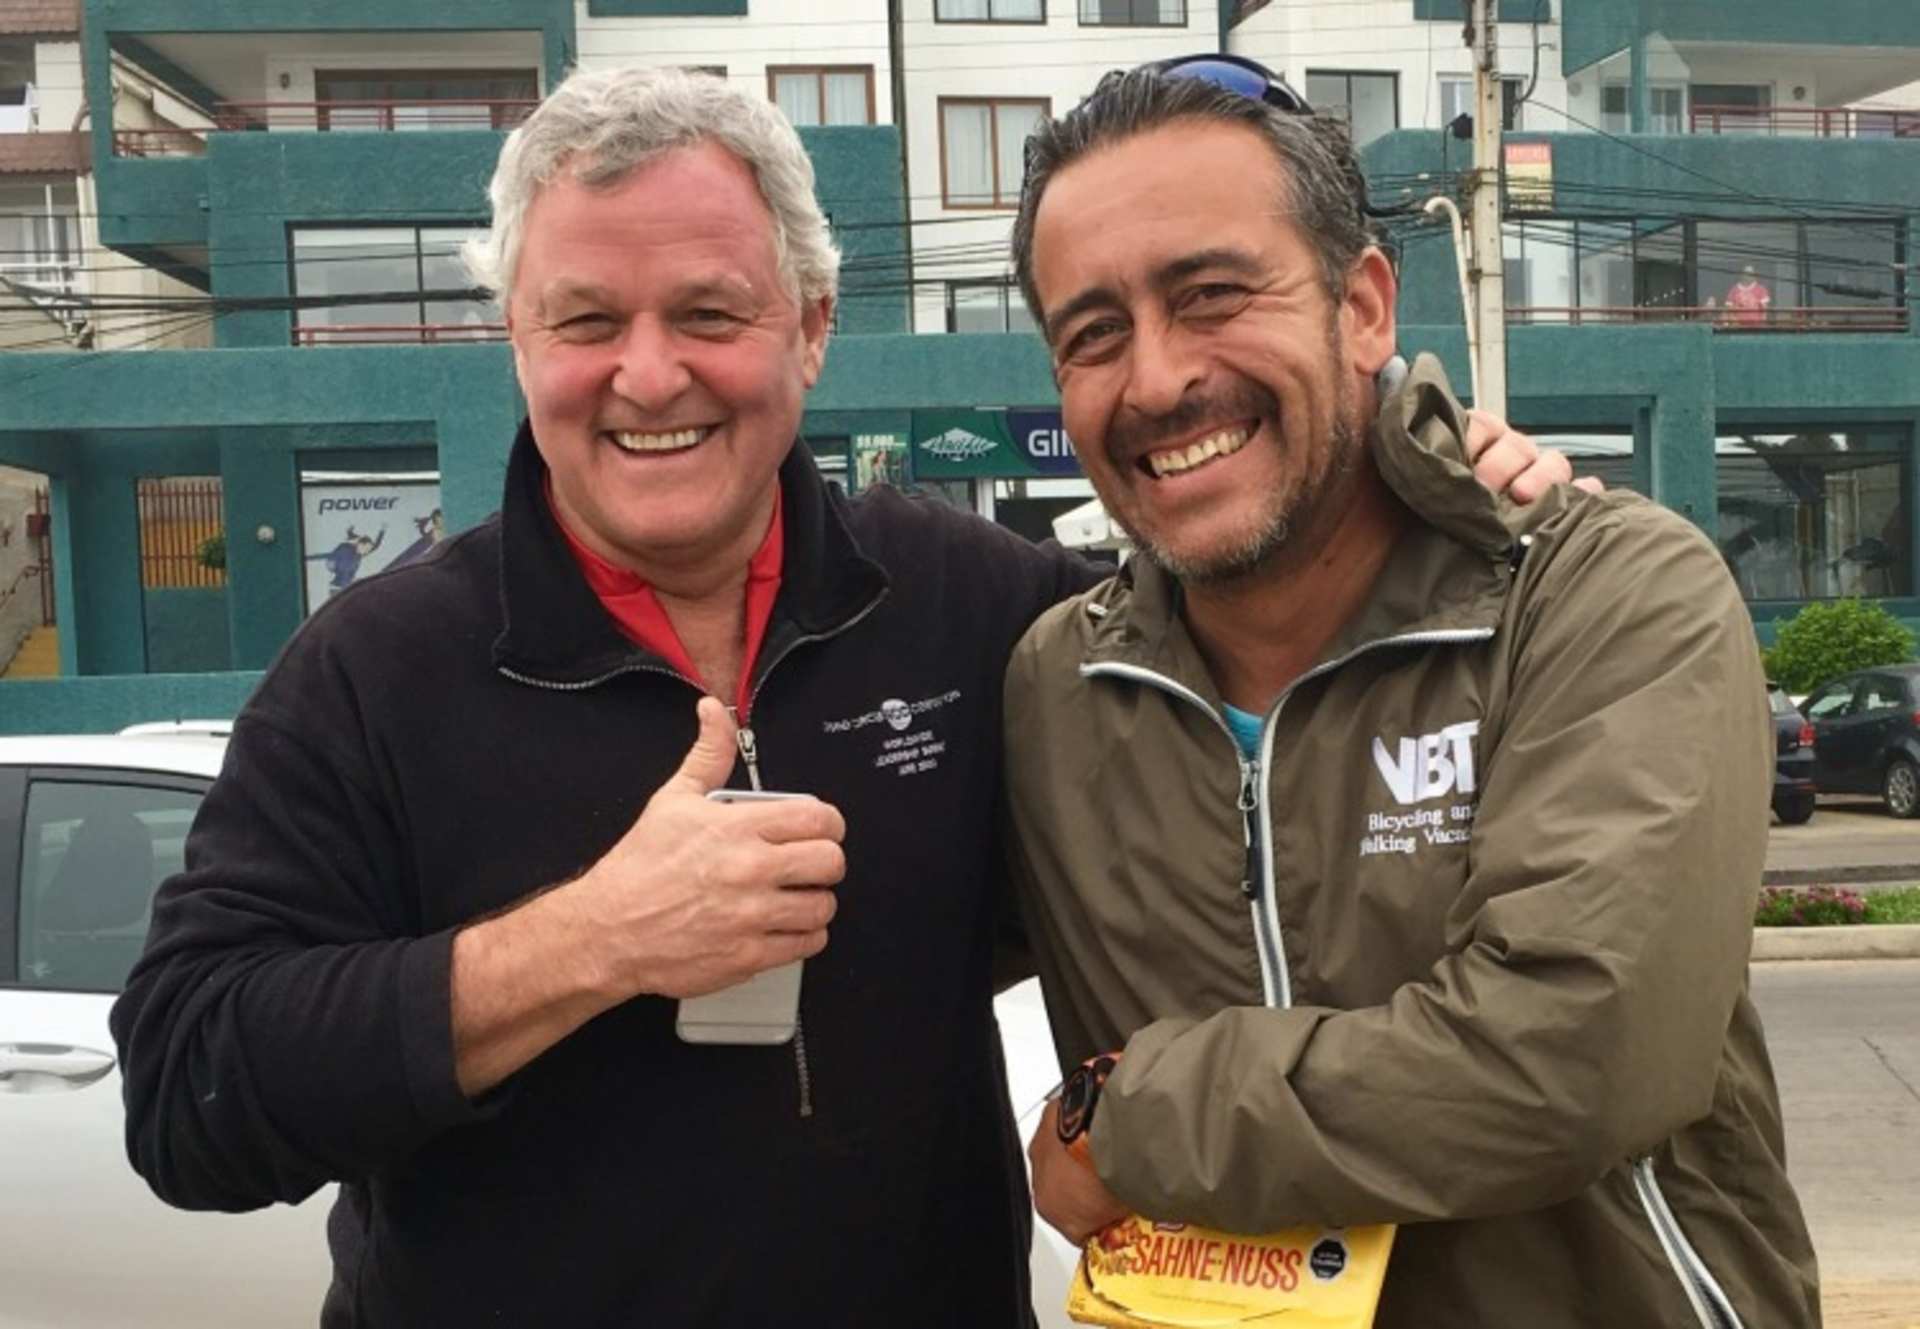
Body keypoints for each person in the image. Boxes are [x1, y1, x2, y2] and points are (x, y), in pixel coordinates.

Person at [109, 66, 1574, 1327]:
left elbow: (1257, 692)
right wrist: (594, 940)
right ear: (517, 342)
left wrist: (1423, 491)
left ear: (811, 328)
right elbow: (188, 1092)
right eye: (584, 320)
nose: (649, 372)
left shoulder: (983, 608)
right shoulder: (373, 669)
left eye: (708, 311)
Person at [1000, 57, 1820, 1329]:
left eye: (1212, 295)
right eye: (1092, 334)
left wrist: (1132, 1117)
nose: (1156, 380)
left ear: (1366, 306)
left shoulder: (1596, 594)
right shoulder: (1057, 685)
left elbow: (1567, 1058)